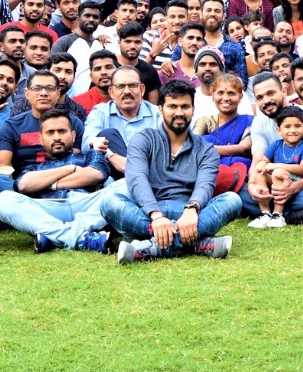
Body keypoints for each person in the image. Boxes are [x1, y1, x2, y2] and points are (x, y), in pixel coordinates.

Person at [99, 79, 242, 262]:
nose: (179, 113)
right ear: (160, 109)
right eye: (172, 106)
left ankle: (151, 248)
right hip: (148, 212)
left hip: (189, 214)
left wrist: (191, 209)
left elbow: (205, 185)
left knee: (232, 200)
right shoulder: (144, 140)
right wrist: (156, 216)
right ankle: (197, 244)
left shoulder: (206, 150)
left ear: (193, 110)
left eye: (185, 106)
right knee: (109, 202)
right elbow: (137, 178)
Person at [0, 108, 120, 254]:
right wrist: (70, 169)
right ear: (41, 139)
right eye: (50, 132)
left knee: (125, 185)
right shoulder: (34, 168)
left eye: (62, 131)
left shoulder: (88, 155)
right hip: (51, 208)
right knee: (4, 199)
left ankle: (54, 236)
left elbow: (96, 174)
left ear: (73, 136)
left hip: (87, 205)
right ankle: (80, 237)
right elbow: (23, 185)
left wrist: (50, 184)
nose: (56, 137)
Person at [0, 70, 86, 194]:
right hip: (23, 185)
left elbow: (76, 160)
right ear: (27, 93)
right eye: (37, 88)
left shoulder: (73, 123)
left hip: (63, 181)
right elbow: (3, 167)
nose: (43, 93)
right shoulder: (11, 126)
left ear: (58, 93)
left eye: (49, 88)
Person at [248, 106, 303, 227]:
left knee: (278, 173)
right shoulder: (276, 145)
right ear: (279, 130)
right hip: (276, 181)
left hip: (296, 181)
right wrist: (262, 163)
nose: (292, 130)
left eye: (297, 126)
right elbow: (264, 159)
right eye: (287, 126)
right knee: (260, 172)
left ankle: (278, 214)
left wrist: (276, 166)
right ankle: (265, 213)